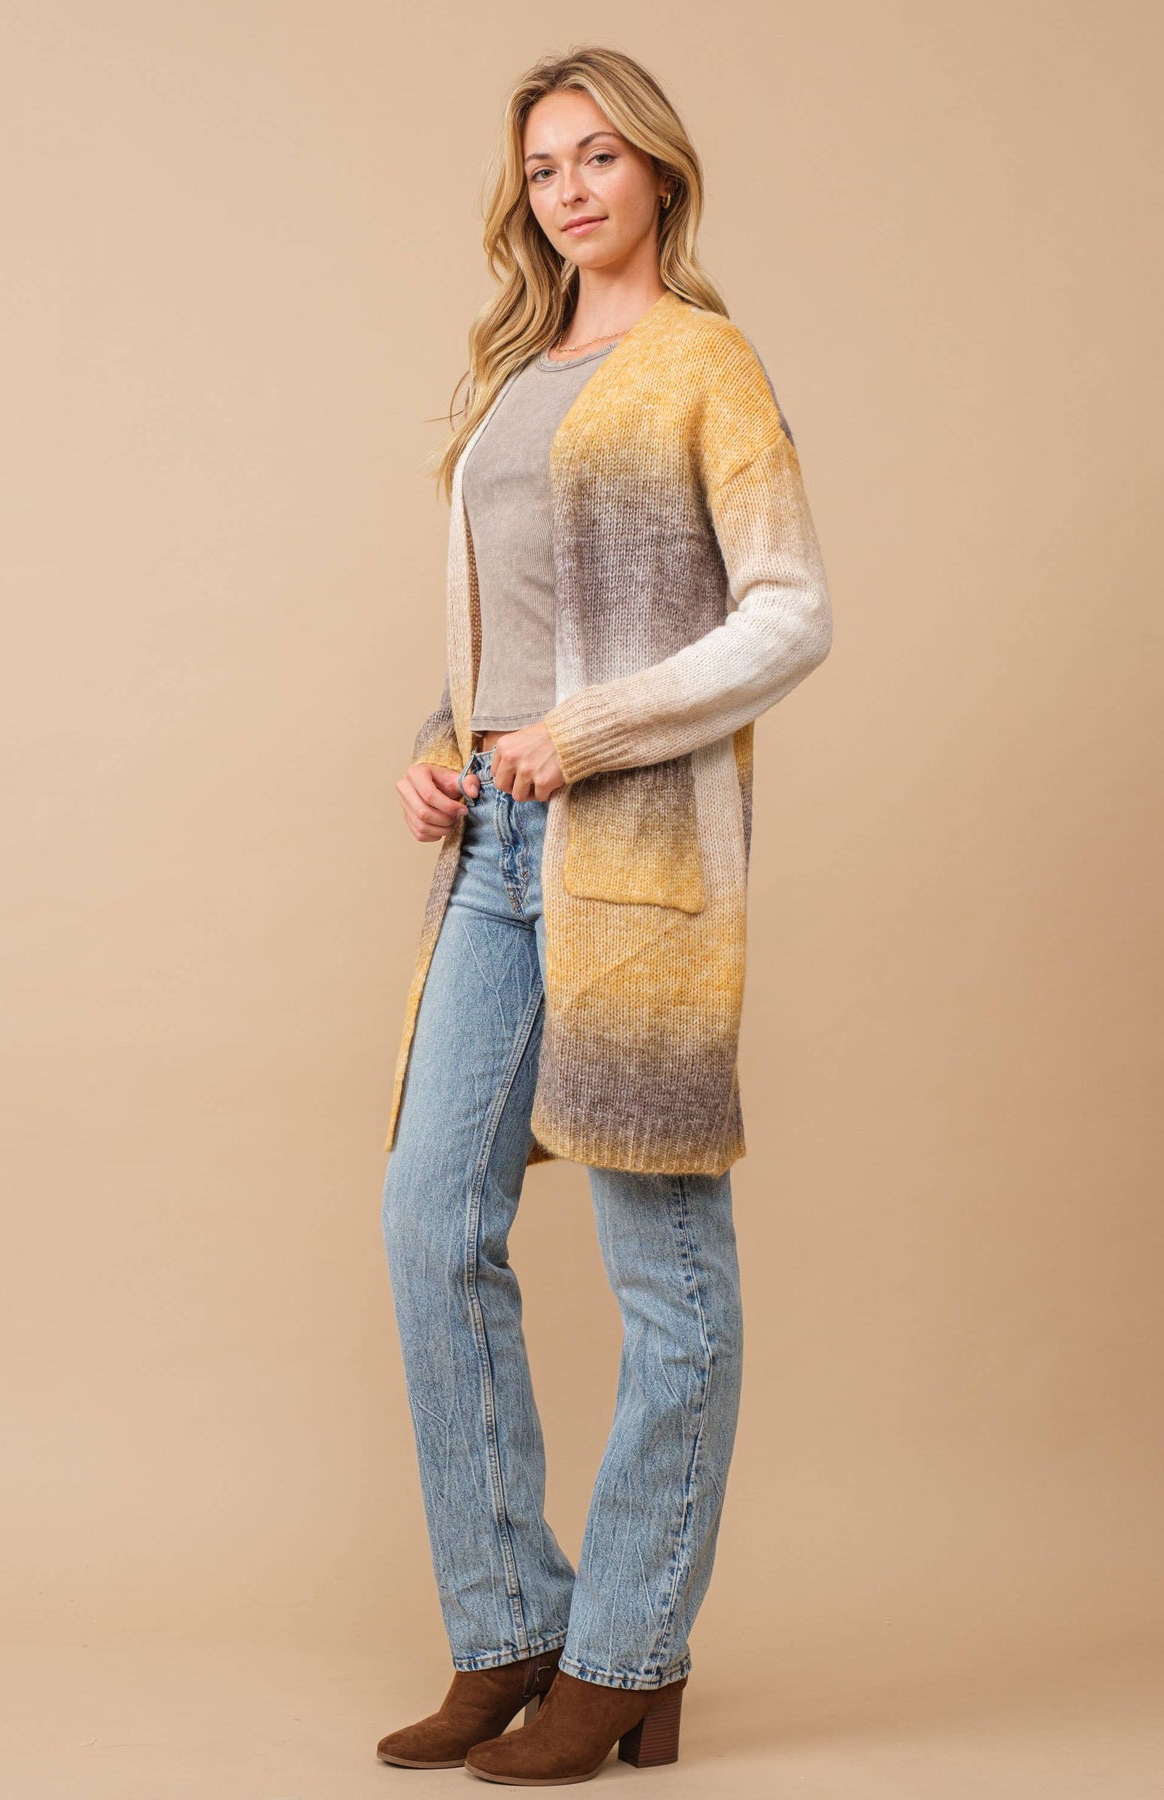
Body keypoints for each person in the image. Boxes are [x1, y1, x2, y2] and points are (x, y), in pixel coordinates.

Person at [377, 44, 832, 1786]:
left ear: (657, 171)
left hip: (635, 865)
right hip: (493, 850)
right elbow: (509, 636)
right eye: (543, 166)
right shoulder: (513, 378)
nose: (570, 189)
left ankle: (630, 1653)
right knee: (432, 1222)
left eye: (598, 156)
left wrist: (586, 734)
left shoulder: (707, 360)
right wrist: (445, 748)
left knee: (665, 1267)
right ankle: (509, 1625)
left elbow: (788, 612)